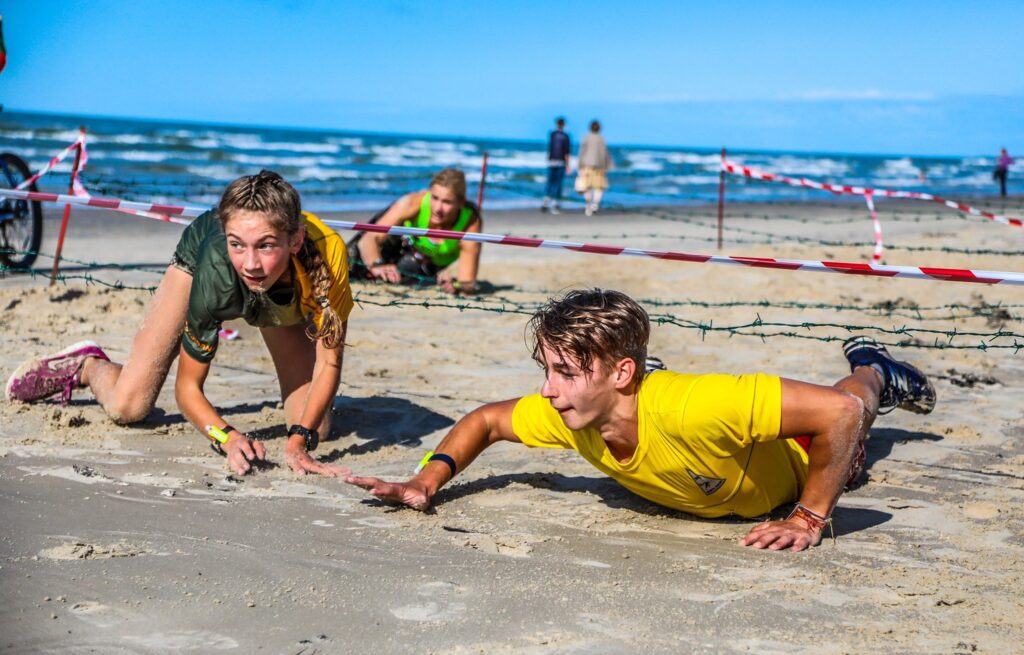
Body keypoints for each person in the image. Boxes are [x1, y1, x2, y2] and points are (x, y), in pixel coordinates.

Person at [345, 288, 937, 552]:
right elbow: (487, 420)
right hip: (705, 450)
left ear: (621, 373)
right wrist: (427, 479)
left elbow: (840, 415)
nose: (548, 391)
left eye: (566, 373)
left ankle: (874, 364)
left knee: (852, 405)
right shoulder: (571, 415)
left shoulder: (696, 404)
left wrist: (810, 515)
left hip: (801, 459)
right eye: (547, 370)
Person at [6, 170, 353, 478]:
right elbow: (188, 388)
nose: (250, 263)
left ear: (295, 240)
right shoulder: (218, 268)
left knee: (315, 428)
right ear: (226, 237)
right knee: (129, 406)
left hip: (283, 285)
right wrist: (225, 437)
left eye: (265, 245)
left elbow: (329, 363)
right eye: (238, 244)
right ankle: (89, 366)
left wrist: (297, 442)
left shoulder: (329, 254)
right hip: (201, 262)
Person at [348, 167, 482, 294]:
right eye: (434, 198)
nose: (437, 208)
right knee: (345, 264)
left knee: (408, 269)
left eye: (447, 202)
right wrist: (376, 264)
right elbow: (369, 239)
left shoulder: (469, 224)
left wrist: (455, 285)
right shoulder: (412, 203)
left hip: (422, 266)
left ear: (461, 203)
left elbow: (468, 283)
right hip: (394, 243)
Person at [575, 120, 613, 216]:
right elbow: (604, 153)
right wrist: (607, 166)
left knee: (587, 187)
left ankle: (588, 206)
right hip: (599, 166)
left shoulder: (586, 138)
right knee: (599, 187)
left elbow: (581, 153)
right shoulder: (601, 139)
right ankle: (595, 204)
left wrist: (579, 166)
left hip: (586, 166)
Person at [541, 117, 571, 215]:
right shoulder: (565, 136)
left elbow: (550, 148)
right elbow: (566, 152)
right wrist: (568, 165)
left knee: (550, 182)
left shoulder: (552, 134)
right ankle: (554, 203)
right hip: (560, 162)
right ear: (564, 124)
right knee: (558, 183)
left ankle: (546, 199)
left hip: (551, 161)